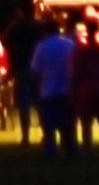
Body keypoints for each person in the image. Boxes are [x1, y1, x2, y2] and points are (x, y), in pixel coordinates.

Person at [30, 19, 78, 157]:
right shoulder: (70, 45)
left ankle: (50, 148)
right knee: (68, 122)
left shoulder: (41, 47)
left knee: (49, 122)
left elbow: (36, 71)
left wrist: (37, 89)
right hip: (67, 89)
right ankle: (70, 147)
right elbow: (75, 66)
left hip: (48, 90)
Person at [1, 8, 43, 143]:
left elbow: (3, 41)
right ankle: (46, 133)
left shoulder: (16, 26)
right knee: (40, 102)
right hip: (38, 67)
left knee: (24, 103)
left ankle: (25, 136)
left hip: (21, 66)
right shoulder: (39, 26)